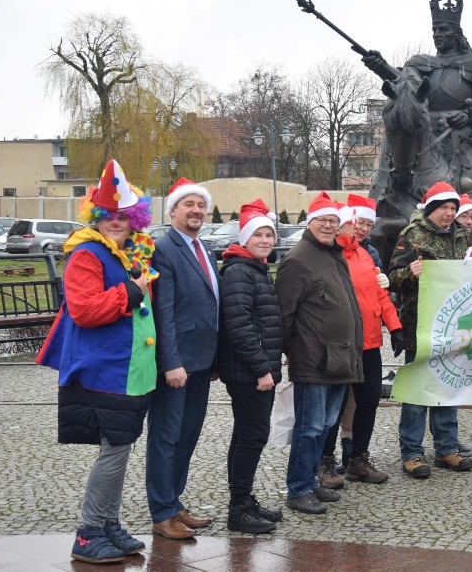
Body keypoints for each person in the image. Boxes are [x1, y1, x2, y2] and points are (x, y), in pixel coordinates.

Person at [37, 160, 157, 563]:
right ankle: (88, 532)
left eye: (124, 216)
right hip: (105, 372)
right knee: (114, 449)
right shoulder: (87, 254)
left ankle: (107, 523)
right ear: (97, 216)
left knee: (120, 448)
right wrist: (134, 293)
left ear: (134, 219)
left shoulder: (124, 255)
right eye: (108, 216)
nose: (116, 222)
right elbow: (85, 310)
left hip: (129, 372)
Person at [363, 0, 472, 220]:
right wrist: (381, 66)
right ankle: (378, 202)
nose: (437, 34)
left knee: (471, 184)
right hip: (423, 132)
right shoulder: (420, 63)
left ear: (456, 33)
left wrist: (468, 115)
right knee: (394, 164)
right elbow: (403, 84)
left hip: (460, 137)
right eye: (435, 30)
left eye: (443, 30)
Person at [277, 192, 364, 514]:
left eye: (333, 221)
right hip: (314, 360)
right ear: (309, 223)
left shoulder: (332, 254)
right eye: (322, 220)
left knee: (325, 425)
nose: (328, 226)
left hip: (340, 359)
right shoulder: (298, 259)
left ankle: (311, 481)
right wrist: (292, 352)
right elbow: (284, 315)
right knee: (310, 427)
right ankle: (298, 488)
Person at [146, 177, 219, 539]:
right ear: (173, 210)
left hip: (201, 362)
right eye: (188, 204)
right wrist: (170, 362)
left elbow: (210, 304)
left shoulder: (204, 248)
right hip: (177, 364)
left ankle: (174, 502)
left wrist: (214, 360)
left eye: (200, 205)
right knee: (166, 436)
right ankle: (161, 512)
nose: (196, 210)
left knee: (188, 434)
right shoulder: (166, 248)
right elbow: (165, 312)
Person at [388, 181, 472, 478]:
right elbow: (393, 278)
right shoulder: (411, 236)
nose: (449, 214)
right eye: (444, 208)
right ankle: (411, 452)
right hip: (420, 324)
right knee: (418, 389)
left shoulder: (462, 236)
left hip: (453, 325)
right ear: (432, 209)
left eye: (453, 208)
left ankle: (446, 448)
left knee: (447, 388)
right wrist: (409, 273)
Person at [319, 195, 403, 486]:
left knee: (368, 401)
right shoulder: (329, 256)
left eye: (352, 223)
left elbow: (379, 296)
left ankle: (358, 458)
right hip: (342, 343)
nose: (352, 228)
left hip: (369, 343)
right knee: (336, 406)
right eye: (347, 223)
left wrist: (395, 326)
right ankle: (325, 461)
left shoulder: (366, 255)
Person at [217, 198, 283, 534]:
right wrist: (261, 370)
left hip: (256, 370)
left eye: (270, 235)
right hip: (249, 373)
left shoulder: (253, 268)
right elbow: (240, 326)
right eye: (259, 235)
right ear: (244, 239)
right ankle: (238, 508)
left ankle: (242, 500)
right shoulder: (240, 271)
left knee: (244, 435)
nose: (266, 241)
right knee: (252, 436)